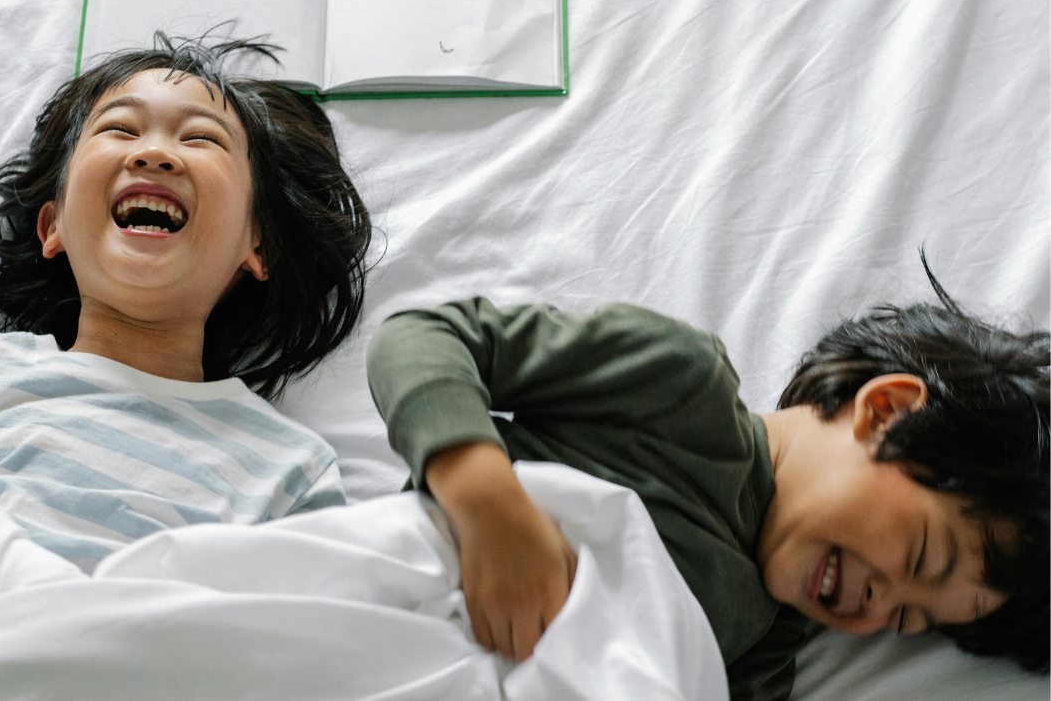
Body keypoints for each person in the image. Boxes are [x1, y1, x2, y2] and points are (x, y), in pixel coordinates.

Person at [365, 260, 1049, 701]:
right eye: (921, 557)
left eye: (903, 619)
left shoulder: (767, 641)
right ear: (888, 411)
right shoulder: (680, 385)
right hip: (401, 611)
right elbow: (424, 337)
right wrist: (489, 505)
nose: (877, 606)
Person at [0, 35, 371, 572]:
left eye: (202, 138)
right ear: (53, 226)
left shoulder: (292, 469)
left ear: (258, 245)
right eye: (120, 129)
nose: (154, 153)